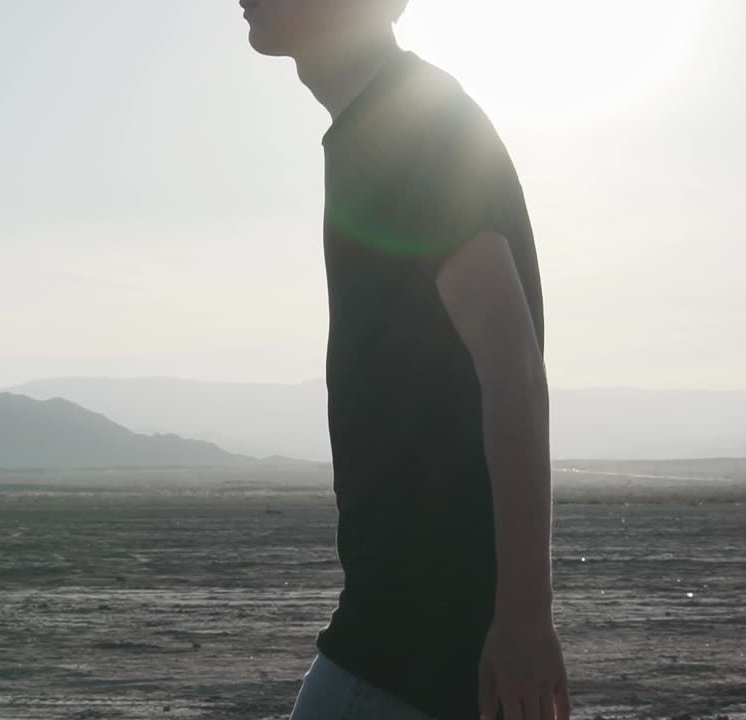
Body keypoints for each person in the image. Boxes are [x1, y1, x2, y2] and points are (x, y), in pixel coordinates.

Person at [239, 1, 571, 719]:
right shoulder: (381, 125)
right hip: (409, 636)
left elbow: (511, 368)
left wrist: (523, 618)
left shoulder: (406, 127)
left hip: (417, 648)